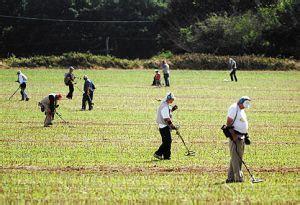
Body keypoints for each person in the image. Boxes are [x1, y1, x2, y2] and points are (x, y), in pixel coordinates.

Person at [225, 96, 251, 183]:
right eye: (246, 103)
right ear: (241, 102)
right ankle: (238, 178)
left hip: (241, 136)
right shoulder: (234, 108)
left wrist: (246, 135)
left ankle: (230, 178)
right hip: (235, 136)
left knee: (236, 157)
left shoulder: (241, 110)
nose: (247, 105)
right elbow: (228, 121)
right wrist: (233, 135)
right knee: (236, 158)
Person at [154, 92, 178, 160]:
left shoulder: (165, 104)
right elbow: (166, 118)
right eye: (172, 99)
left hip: (164, 125)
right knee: (167, 141)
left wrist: (173, 109)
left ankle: (167, 156)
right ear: (168, 99)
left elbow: (168, 112)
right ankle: (158, 153)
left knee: (167, 141)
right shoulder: (164, 106)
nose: (173, 101)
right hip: (163, 126)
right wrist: (172, 126)